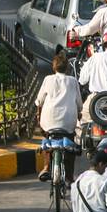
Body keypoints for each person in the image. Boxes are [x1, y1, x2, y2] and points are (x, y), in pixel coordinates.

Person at [35, 53, 82, 181]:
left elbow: (39, 101)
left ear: (54, 67)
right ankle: (69, 177)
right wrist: (79, 112)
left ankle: (46, 167)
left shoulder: (47, 79)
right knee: (70, 146)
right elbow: (79, 103)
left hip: (48, 121)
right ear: (67, 68)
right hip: (68, 123)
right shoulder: (73, 81)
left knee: (47, 139)